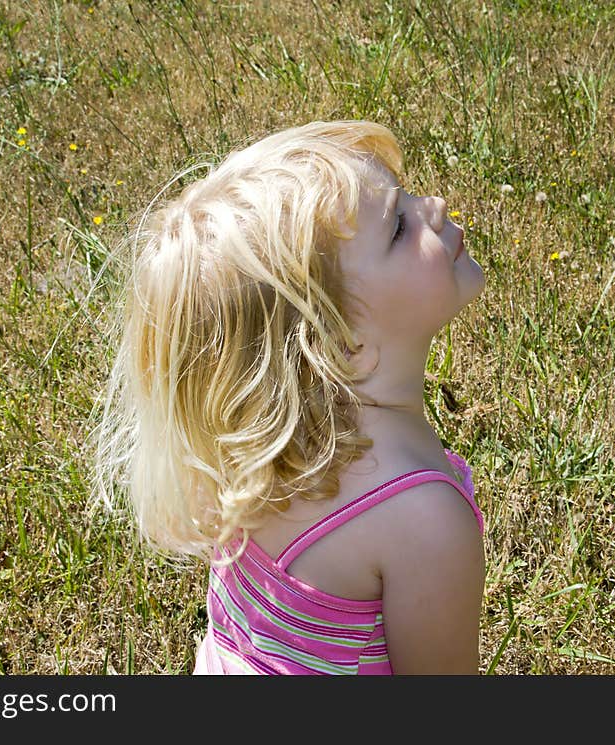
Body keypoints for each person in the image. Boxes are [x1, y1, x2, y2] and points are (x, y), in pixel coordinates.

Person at [94, 120, 487, 675]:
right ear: (339, 343)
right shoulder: (424, 520)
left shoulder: (256, 453)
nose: (436, 206)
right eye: (398, 228)